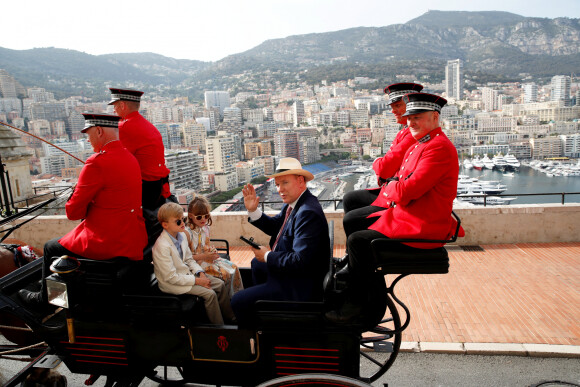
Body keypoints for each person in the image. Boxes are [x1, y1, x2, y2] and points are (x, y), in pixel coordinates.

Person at [327, 93, 460, 323]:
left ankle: (361, 306)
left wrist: (392, 187)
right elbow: (399, 183)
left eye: (417, 117)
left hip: (421, 225)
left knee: (358, 240)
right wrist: (395, 187)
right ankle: (358, 280)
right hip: (409, 215)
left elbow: (406, 189)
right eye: (409, 118)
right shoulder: (424, 143)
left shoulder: (437, 148)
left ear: (435, 117)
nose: (411, 123)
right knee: (354, 224)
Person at [19, 114, 148, 307]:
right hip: (132, 237)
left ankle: (44, 299)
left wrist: (78, 193)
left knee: (50, 247)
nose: (88, 140)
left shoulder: (97, 162)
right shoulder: (130, 158)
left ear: (98, 131)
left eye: (88, 134)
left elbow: (73, 213)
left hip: (108, 241)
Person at [230, 158, 330, 326]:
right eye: (277, 184)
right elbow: (276, 226)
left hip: (299, 286)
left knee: (237, 301)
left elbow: (300, 260)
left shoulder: (307, 213)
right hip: (294, 276)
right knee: (256, 263)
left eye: (284, 183)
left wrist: (268, 256)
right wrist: (253, 211)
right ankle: (266, 313)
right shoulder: (294, 204)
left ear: (300, 181)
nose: (280, 190)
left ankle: (259, 337)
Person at [342, 83, 423, 237]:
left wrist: (377, 162)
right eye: (392, 106)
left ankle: (360, 253)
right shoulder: (404, 131)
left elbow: (385, 169)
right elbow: (387, 168)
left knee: (351, 219)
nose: (393, 110)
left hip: (395, 198)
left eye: (398, 105)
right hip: (389, 191)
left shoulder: (412, 134)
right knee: (349, 199)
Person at [152, 202, 235, 325]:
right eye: (178, 221)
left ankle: (230, 317)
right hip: (173, 283)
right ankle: (219, 327)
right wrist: (198, 281)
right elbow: (170, 277)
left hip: (188, 274)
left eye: (183, 219)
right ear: (165, 225)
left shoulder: (181, 236)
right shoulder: (162, 247)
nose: (183, 223)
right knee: (210, 294)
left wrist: (201, 273)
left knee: (220, 285)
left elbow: (189, 260)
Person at [108, 88, 172, 211]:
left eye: (115, 105)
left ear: (122, 105)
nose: (113, 109)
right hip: (159, 187)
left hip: (144, 191)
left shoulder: (124, 127)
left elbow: (118, 161)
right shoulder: (148, 125)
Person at [185, 194, 244, 295]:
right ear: (190, 216)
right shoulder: (187, 233)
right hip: (195, 266)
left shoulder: (205, 228)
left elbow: (206, 246)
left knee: (234, 267)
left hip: (207, 260)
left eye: (206, 216)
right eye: (199, 217)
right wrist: (205, 255)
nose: (203, 219)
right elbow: (186, 258)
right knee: (225, 274)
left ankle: (237, 298)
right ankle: (229, 298)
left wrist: (212, 251)